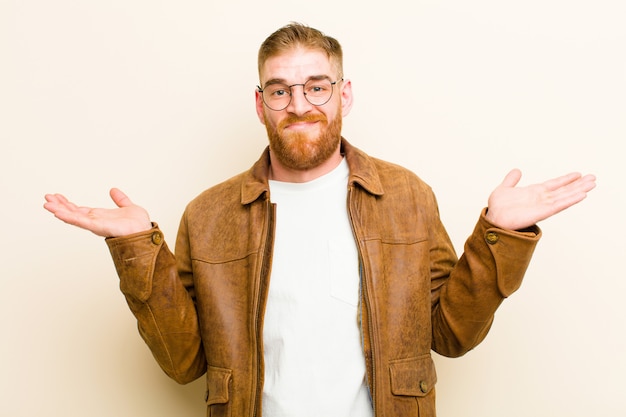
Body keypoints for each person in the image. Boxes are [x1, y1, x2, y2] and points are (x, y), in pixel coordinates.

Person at [43, 22, 596, 417]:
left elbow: (449, 335)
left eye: (317, 86)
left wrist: (501, 235)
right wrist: (138, 246)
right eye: (281, 90)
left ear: (343, 95)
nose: (300, 104)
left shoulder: (405, 195)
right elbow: (185, 362)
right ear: (261, 104)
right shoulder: (209, 215)